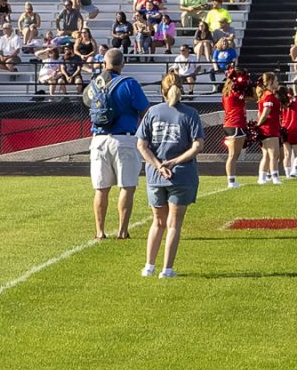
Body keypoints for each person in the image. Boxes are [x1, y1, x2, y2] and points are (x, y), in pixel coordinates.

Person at [135, 70, 207, 278]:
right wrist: (174, 162)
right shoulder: (190, 114)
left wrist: (158, 165)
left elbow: (142, 145)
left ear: (162, 90)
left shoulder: (152, 112)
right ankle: (167, 269)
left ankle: (149, 266)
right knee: (174, 223)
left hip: (156, 176)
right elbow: (197, 146)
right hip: (182, 174)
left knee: (157, 221)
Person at [86, 50, 155, 241]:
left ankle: (100, 231)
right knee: (127, 186)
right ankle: (122, 231)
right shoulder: (129, 83)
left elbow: (86, 101)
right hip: (124, 138)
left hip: (99, 139)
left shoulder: (95, 83)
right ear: (122, 64)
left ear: (104, 63)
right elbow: (145, 111)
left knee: (101, 188)